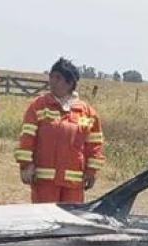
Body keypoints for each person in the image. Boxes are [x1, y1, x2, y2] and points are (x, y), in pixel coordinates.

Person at [14, 58, 105, 203]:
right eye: (51, 76)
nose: (52, 81)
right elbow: (27, 138)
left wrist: (91, 171)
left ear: (70, 83)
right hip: (45, 182)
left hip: (73, 185)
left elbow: (94, 145)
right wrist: (25, 165)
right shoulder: (39, 106)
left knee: (70, 222)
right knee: (44, 220)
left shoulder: (87, 112)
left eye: (58, 78)